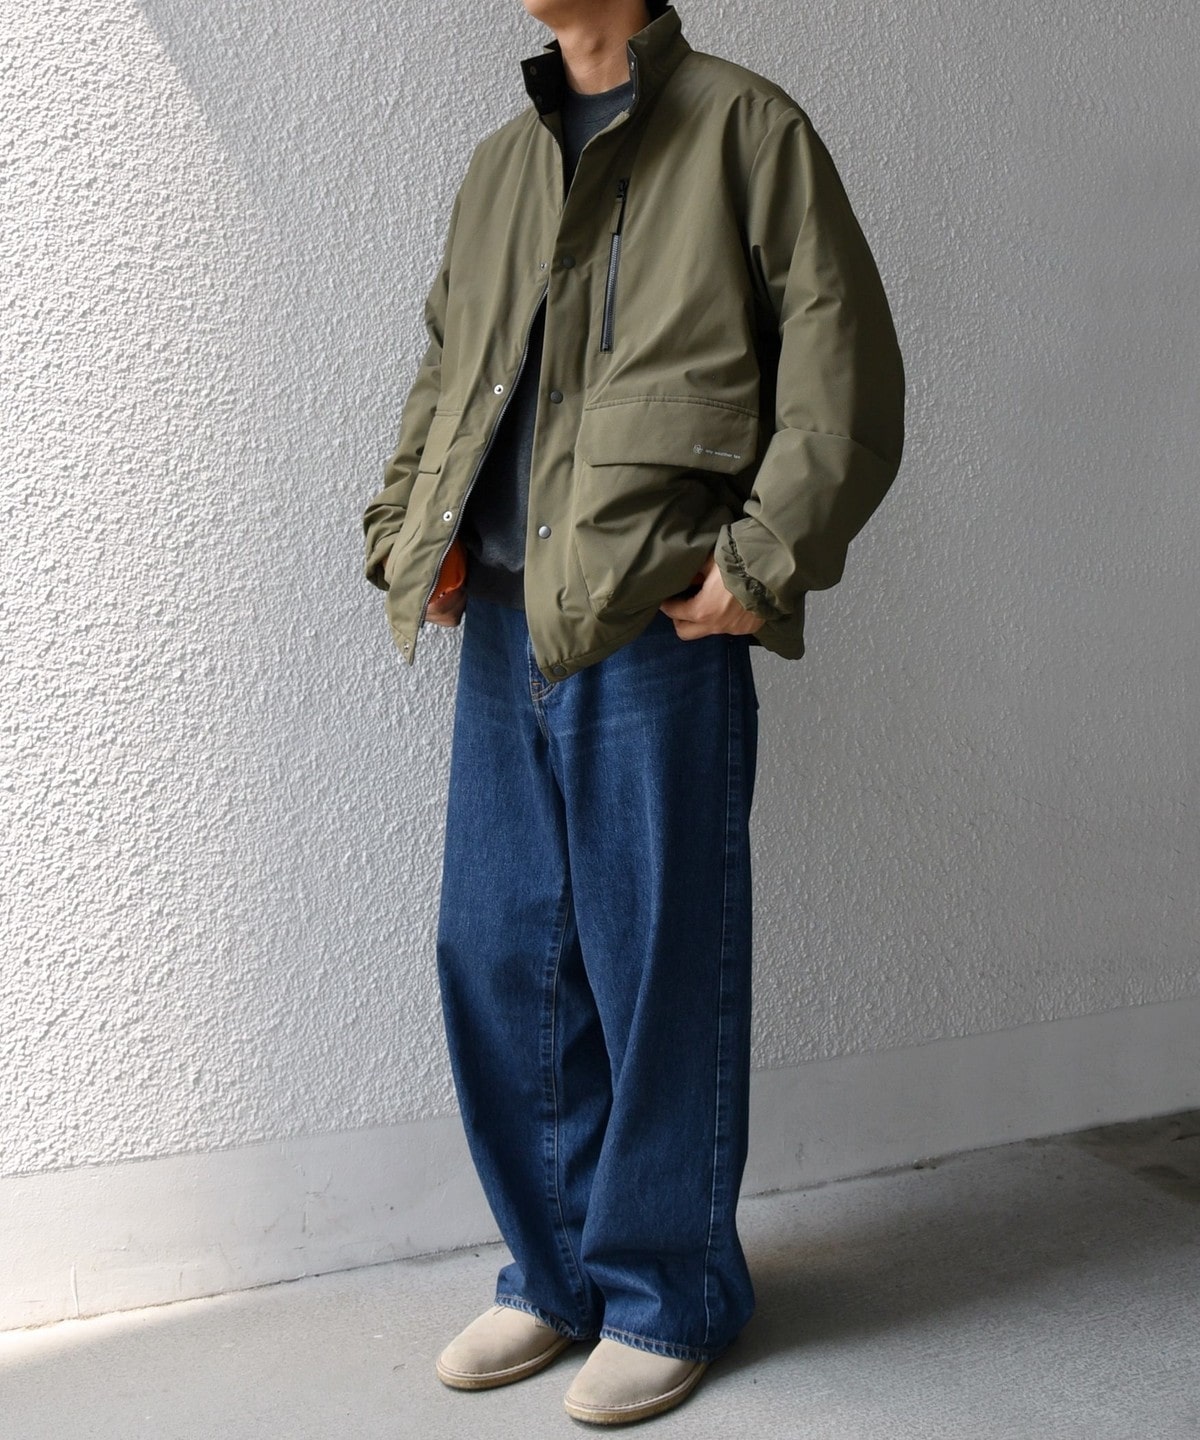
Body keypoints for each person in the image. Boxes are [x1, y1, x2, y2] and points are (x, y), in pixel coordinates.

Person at [362, 0, 904, 1424]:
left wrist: (757, 565)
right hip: (503, 619)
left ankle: (668, 1292)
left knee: (658, 964)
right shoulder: (504, 163)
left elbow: (844, 374)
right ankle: (553, 1277)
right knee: (499, 955)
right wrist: (407, 540)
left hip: (654, 625)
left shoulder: (746, 130)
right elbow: (448, 371)